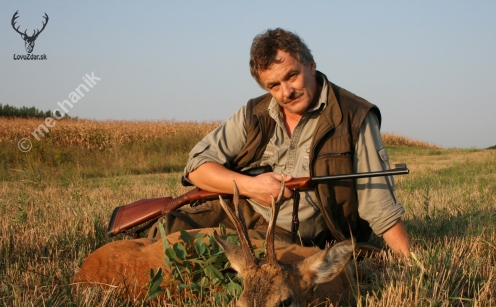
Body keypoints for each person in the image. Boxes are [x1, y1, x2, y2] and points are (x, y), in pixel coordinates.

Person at [149, 28, 411, 258]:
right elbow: (196, 166)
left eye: (292, 76)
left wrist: (408, 262)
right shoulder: (254, 113)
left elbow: (379, 205)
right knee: (162, 230)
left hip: (290, 231)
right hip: (243, 208)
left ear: (311, 65)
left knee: (216, 250)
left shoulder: (354, 115)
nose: (286, 92)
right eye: (274, 85)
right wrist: (252, 187)